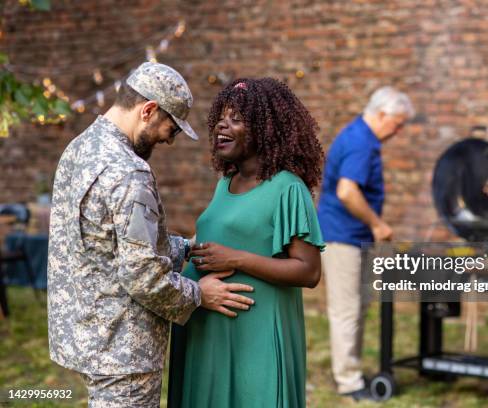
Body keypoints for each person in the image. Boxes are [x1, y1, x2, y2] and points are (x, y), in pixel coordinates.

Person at [47, 62, 254, 408]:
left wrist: (186, 247)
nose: (168, 140)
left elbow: (105, 242)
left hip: (86, 336)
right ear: (148, 110)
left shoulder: (80, 148)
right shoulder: (130, 174)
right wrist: (200, 294)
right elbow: (143, 276)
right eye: (170, 129)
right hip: (124, 348)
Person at [168, 78, 325, 408]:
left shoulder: (287, 189)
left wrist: (236, 260)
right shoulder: (225, 182)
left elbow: (309, 271)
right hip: (206, 326)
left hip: (254, 333)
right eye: (221, 118)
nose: (223, 125)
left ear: (266, 129)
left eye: (237, 118)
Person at [317, 86, 414, 400]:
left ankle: (352, 371)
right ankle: (349, 382)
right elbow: (347, 191)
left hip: (350, 236)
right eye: (397, 123)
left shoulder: (360, 136)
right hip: (342, 236)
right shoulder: (360, 142)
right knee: (347, 310)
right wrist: (377, 224)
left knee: (356, 307)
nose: (398, 131)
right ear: (382, 114)